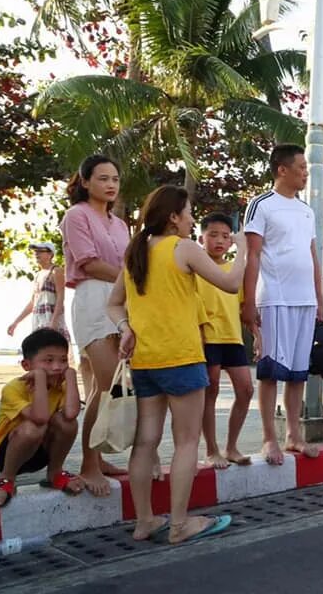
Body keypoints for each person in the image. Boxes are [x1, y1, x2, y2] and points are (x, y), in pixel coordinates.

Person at [107, 185, 241, 544]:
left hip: (146, 361)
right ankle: (180, 524)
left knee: (146, 442)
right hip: (181, 358)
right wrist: (243, 249)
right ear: (173, 217)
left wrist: (125, 330)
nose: (192, 218)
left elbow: (114, 303)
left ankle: (144, 521)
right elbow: (230, 283)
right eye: (188, 212)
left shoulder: (136, 251)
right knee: (185, 443)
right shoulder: (183, 248)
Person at [242, 145, 323, 465]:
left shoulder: (306, 211)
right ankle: (268, 439)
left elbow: (313, 256)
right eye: (301, 167)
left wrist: (320, 301)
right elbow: (252, 256)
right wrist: (248, 304)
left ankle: (294, 435)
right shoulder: (261, 205)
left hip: (305, 300)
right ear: (282, 170)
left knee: (297, 373)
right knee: (270, 372)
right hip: (274, 299)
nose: (306, 172)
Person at [59, 155, 131, 496]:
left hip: (121, 302)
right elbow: (87, 262)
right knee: (105, 387)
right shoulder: (76, 216)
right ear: (85, 182)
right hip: (91, 300)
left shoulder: (120, 224)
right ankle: (88, 466)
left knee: (112, 386)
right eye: (103, 178)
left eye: (114, 178)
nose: (111, 184)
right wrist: (132, 280)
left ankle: (99, 458)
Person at [0, 328, 83, 506]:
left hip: (41, 451)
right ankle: (6, 479)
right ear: (27, 366)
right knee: (34, 427)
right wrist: (40, 378)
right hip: (7, 455)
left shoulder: (61, 386)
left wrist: (71, 376)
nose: (57, 367)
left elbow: (71, 414)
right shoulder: (14, 388)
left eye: (63, 360)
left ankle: (55, 473)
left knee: (68, 423)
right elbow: (39, 418)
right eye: (48, 360)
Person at [197, 213, 254, 468]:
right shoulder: (195, 268)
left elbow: (244, 308)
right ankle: (211, 450)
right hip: (207, 337)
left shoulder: (235, 268)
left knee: (246, 389)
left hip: (233, 337)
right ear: (201, 238)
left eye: (225, 236)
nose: (219, 240)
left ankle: (231, 446)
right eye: (213, 235)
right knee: (211, 391)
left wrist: (258, 337)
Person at [7, 242, 70, 341]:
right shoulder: (37, 275)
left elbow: (60, 298)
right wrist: (16, 323)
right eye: (35, 251)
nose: (36, 253)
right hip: (38, 323)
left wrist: (53, 323)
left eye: (40, 251)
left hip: (52, 324)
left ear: (50, 254)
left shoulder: (56, 271)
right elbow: (33, 302)